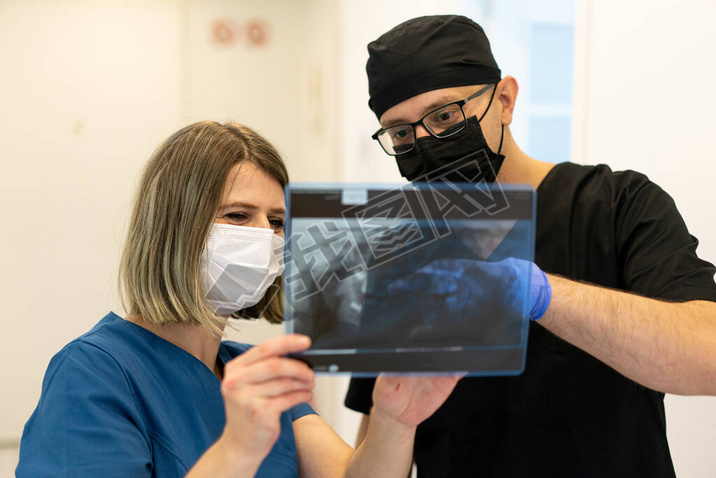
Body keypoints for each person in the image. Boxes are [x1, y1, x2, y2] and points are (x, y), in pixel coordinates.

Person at [344, 14, 716, 477]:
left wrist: (536, 293)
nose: (426, 142)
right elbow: (372, 457)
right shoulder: (402, 252)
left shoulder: (616, 205)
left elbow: (708, 356)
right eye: (401, 133)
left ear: (504, 100)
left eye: (445, 116)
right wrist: (394, 422)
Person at [16, 120, 461, 477]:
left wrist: (394, 421)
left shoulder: (251, 371)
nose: (264, 238)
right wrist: (237, 449)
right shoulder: (95, 372)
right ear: (176, 227)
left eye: (276, 221)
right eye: (236, 216)